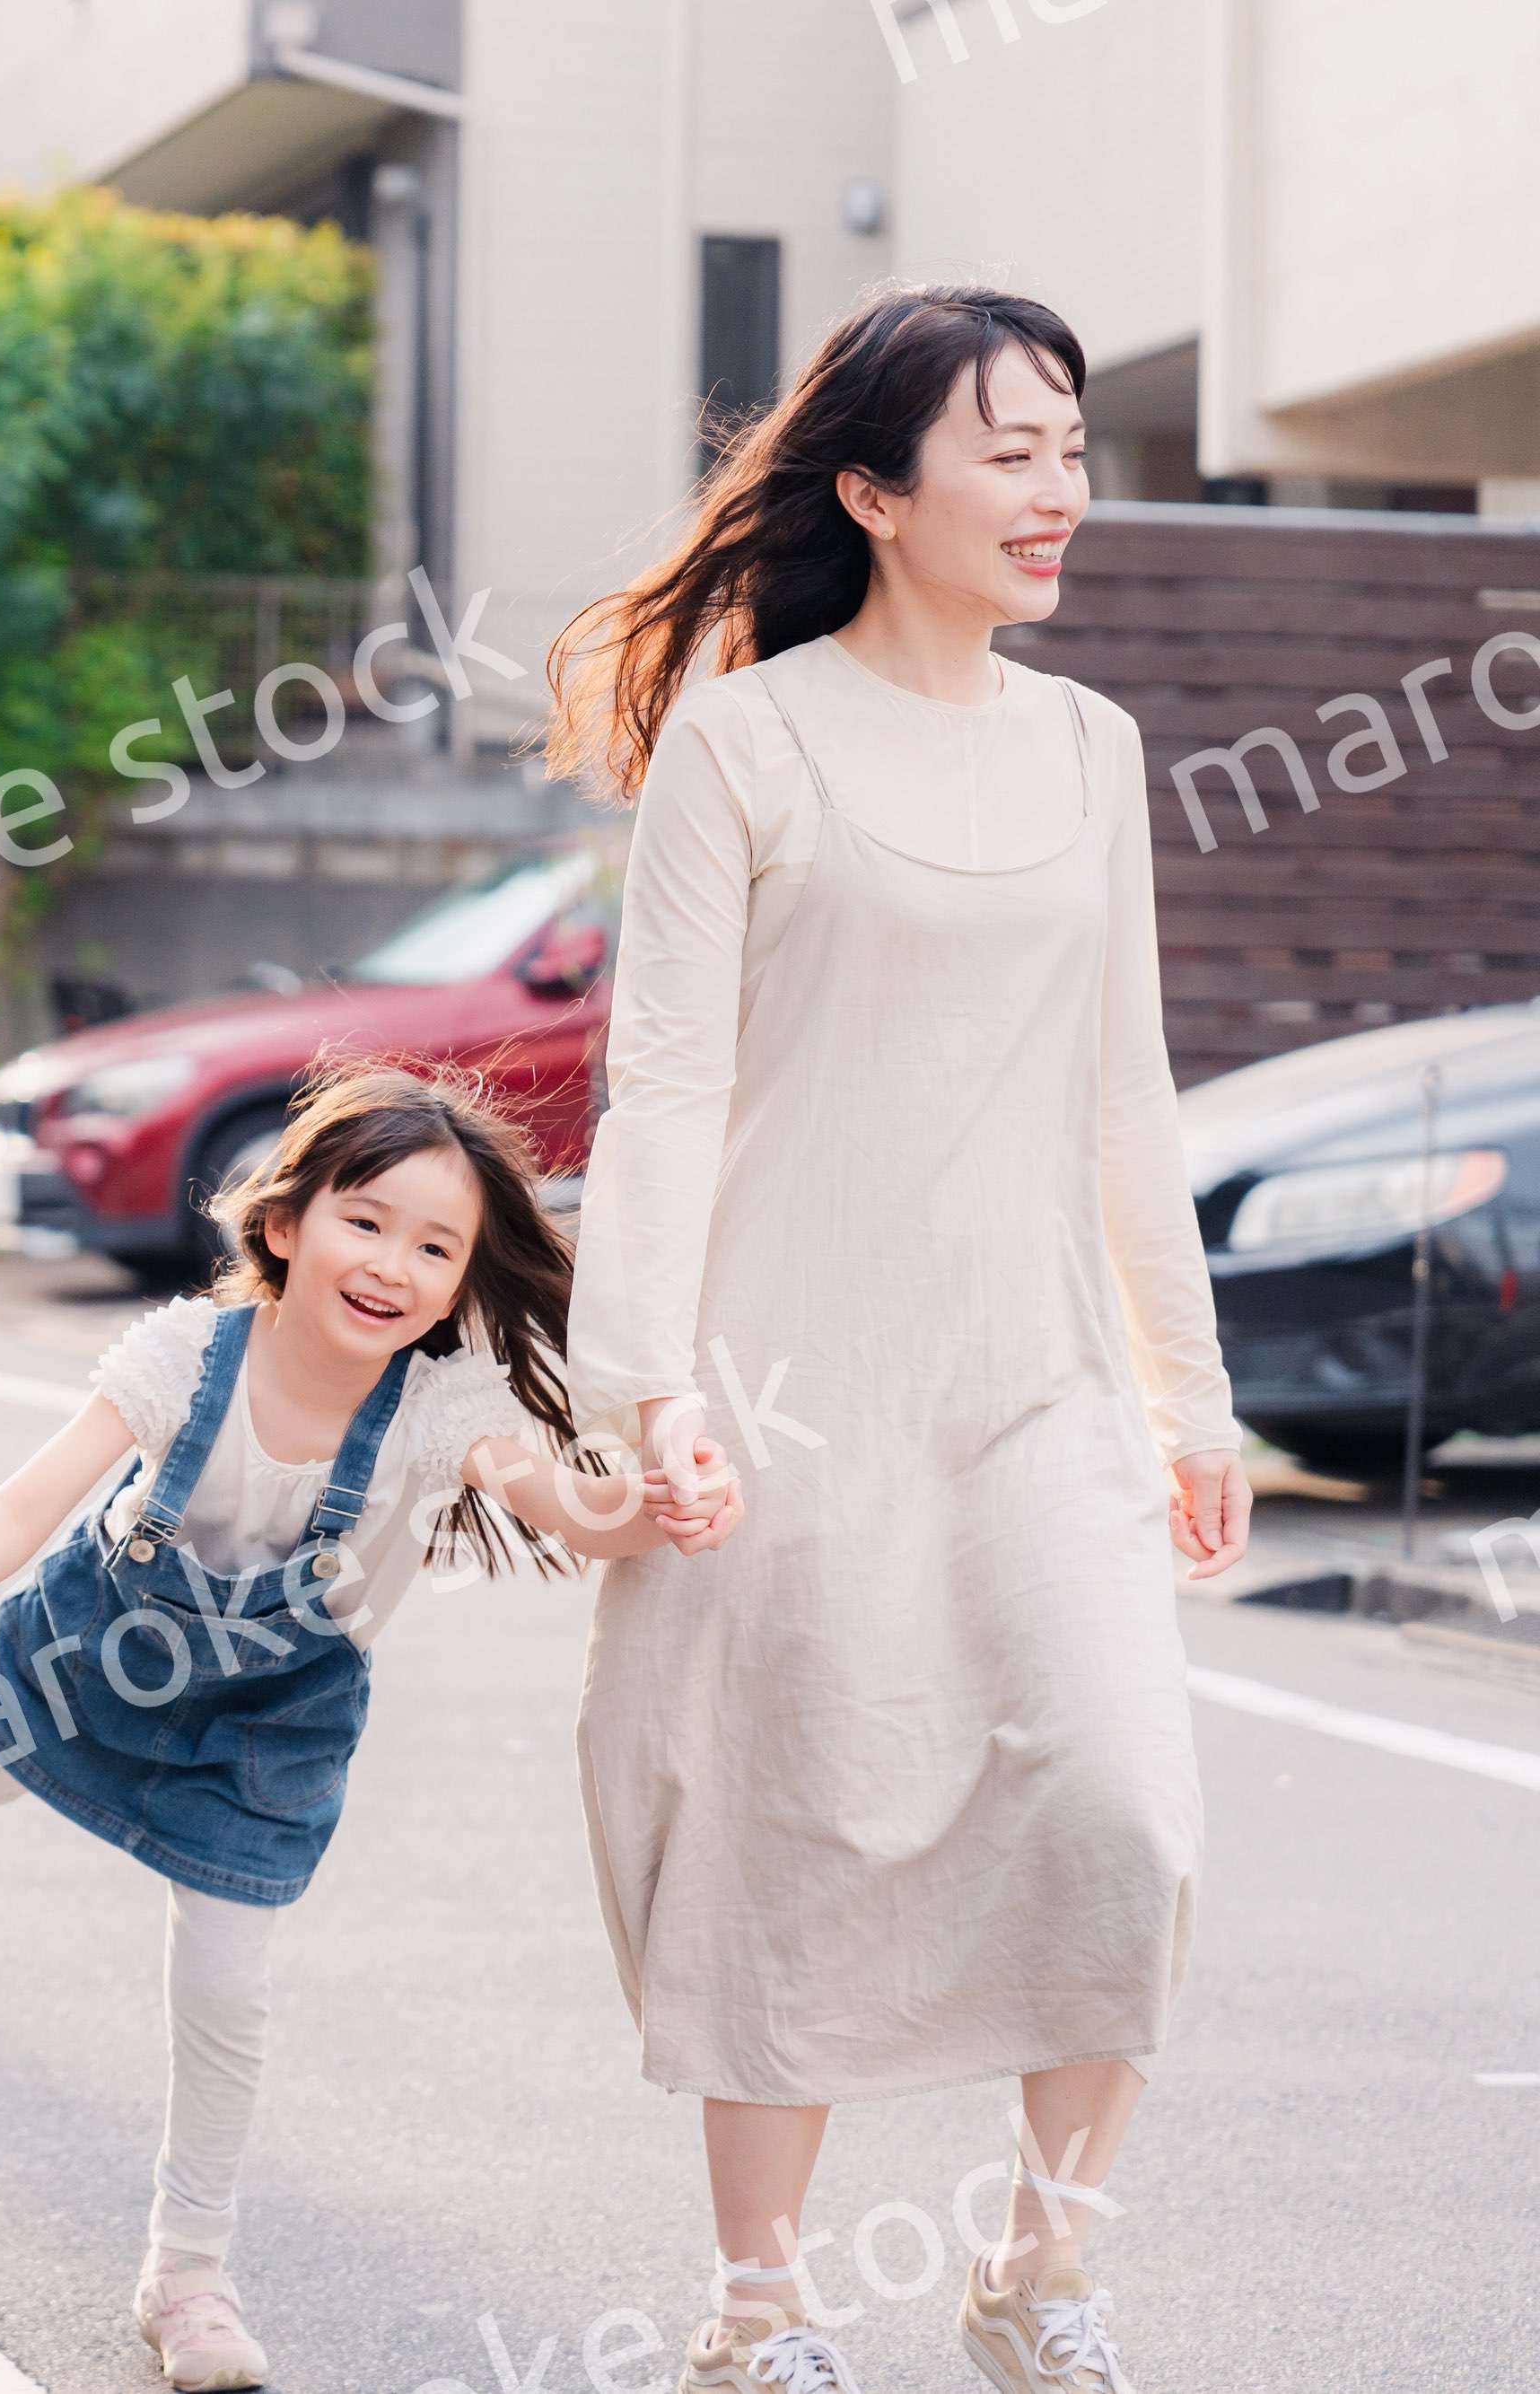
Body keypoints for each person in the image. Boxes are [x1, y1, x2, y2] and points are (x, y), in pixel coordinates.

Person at [547, 283, 1255, 2394]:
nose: (1059, 492)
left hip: (1033, 1381)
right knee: (793, 1832)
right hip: (784, 1384)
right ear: (870, 490)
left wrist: (1185, 1388)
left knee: (1123, 1813)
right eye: (1009, 451)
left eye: (1066, 447)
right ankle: (754, 2312)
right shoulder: (742, 739)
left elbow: (1122, 1083)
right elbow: (660, 1086)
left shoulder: (1090, 745)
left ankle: (1036, 2275)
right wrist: (640, 1384)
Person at [0, 1063, 736, 2391]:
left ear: (461, 1279)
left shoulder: (440, 1410)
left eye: (436, 1247)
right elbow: (23, 1513)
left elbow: (568, 1509)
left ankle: (188, 2275)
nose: (392, 1264)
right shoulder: (181, 1356)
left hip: (269, 1714)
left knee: (228, 1993)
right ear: (283, 1225)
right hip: (102, 1644)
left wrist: (657, 1500)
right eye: (364, 1222)